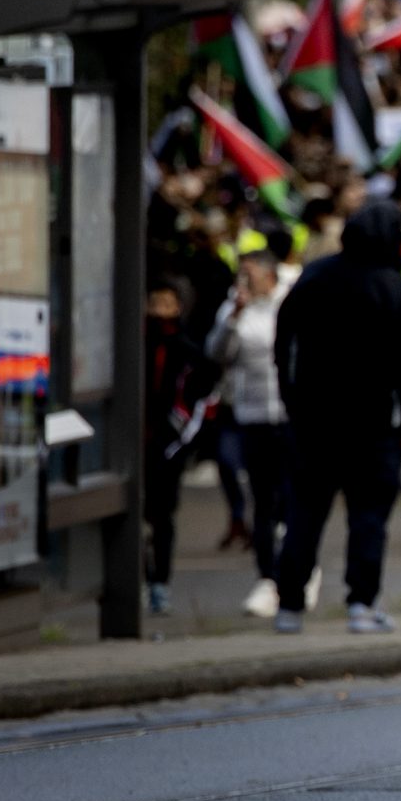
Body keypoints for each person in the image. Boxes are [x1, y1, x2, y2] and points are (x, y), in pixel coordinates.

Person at [271, 201, 401, 634]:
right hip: (373, 423)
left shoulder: (315, 278)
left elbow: (283, 341)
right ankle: (361, 603)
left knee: (305, 514)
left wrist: (291, 399)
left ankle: (289, 605)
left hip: (313, 420)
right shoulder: (394, 289)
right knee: (369, 517)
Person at [206, 250, 298, 618]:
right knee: (262, 496)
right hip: (252, 414)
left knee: (291, 496)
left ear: (269, 274)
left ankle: (297, 569)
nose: (243, 281)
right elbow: (218, 353)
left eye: (250, 274)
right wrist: (234, 317)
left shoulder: (288, 303)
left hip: (290, 414)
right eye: (240, 274)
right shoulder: (234, 309)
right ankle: (268, 577)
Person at [140, 274, 217, 616]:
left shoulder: (187, 349)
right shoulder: (136, 344)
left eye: (166, 304)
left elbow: (199, 397)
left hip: (168, 443)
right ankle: (143, 579)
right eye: (154, 303)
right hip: (137, 440)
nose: (159, 311)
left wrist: (179, 437)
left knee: (162, 516)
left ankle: (160, 583)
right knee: (138, 515)